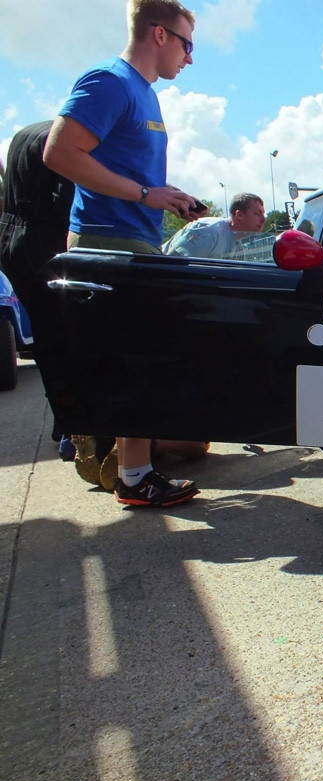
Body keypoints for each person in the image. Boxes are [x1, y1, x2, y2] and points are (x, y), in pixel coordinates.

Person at [43, 0, 208, 507]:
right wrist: (143, 195)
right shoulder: (110, 81)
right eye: (187, 44)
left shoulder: (143, 95)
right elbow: (59, 152)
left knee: (141, 358)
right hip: (109, 243)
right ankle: (134, 477)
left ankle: (124, 461)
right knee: (139, 358)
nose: (189, 57)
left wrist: (165, 193)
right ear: (159, 34)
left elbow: (127, 173)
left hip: (135, 240)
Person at [0, 120, 78, 460]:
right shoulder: (63, 141)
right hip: (46, 242)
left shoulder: (24, 135)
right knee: (69, 336)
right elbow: (67, 202)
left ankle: (65, 423)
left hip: (13, 240)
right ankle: (73, 428)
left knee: (48, 340)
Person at [163, 192, 267, 257]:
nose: (264, 219)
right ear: (239, 215)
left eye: (263, 213)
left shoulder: (238, 249)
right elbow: (172, 266)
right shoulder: (208, 233)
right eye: (257, 214)